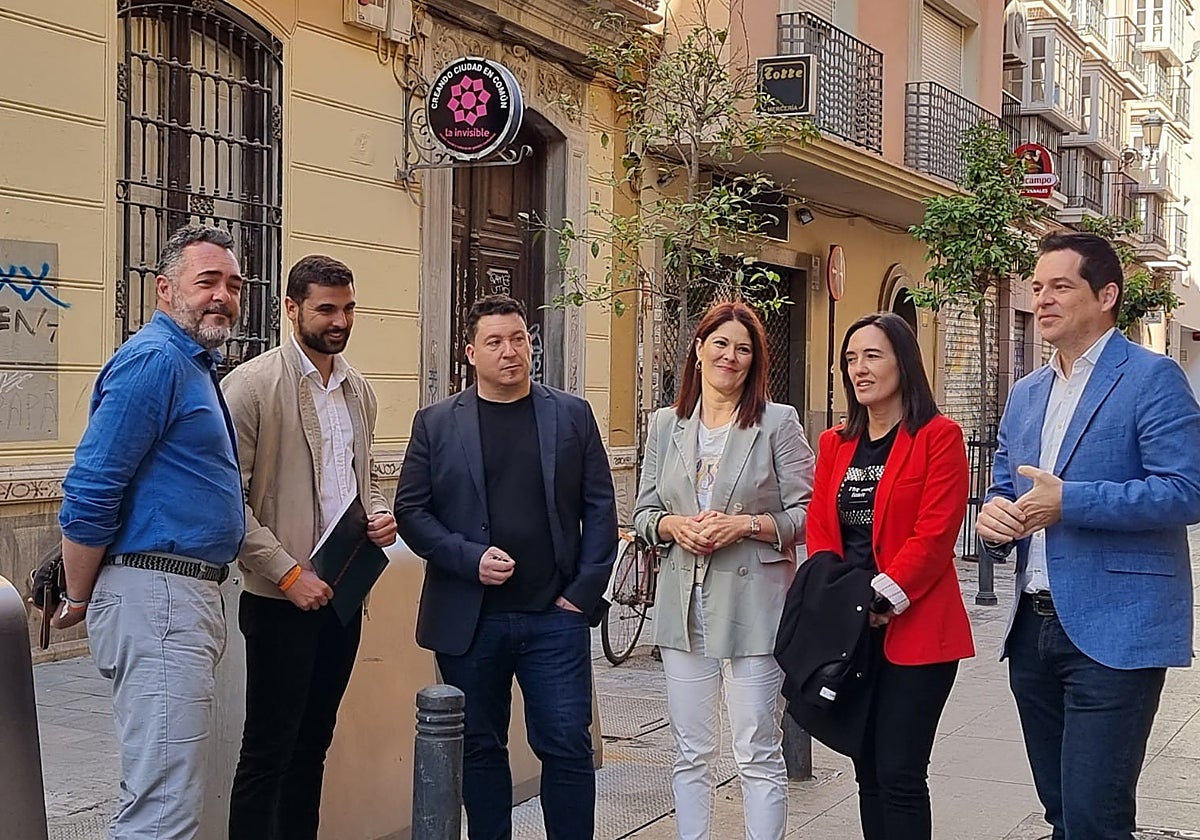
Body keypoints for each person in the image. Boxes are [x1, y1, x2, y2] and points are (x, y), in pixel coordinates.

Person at [977, 232, 1200, 840]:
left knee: (1095, 820)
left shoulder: (1153, 378)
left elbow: (1186, 489)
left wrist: (1071, 501)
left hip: (1118, 629)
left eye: (1060, 286)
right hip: (1033, 629)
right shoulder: (1027, 392)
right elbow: (1005, 482)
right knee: (1061, 815)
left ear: (1107, 295)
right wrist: (995, 518)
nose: (1042, 299)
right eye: (1038, 286)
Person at [394, 294, 617, 840]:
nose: (511, 351)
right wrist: (469, 559)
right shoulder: (436, 423)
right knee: (479, 747)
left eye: (519, 339)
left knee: (566, 743)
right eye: (495, 342)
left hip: (555, 616)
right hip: (471, 621)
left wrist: (581, 596)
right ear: (470, 352)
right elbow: (411, 511)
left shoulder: (570, 414)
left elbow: (601, 507)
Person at [54, 225, 245, 840]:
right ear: (164, 289)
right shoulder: (155, 361)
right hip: (158, 596)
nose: (223, 295)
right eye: (207, 281)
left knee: (165, 791)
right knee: (162, 811)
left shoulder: (191, 365)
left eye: (234, 285)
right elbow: (90, 489)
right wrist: (78, 597)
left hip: (182, 596)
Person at [222, 255, 396, 840]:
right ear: (291, 309)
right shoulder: (249, 387)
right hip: (278, 601)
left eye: (347, 308)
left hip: (343, 596)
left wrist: (377, 516)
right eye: (325, 309)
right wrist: (288, 573)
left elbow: (362, 477)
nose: (339, 320)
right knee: (267, 752)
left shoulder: (358, 388)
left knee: (314, 744)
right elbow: (226, 504)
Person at [632, 301, 815, 840]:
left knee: (756, 749)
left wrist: (746, 525)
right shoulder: (667, 424)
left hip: (755, 605)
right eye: (720, 344)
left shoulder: (778, 423)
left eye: (743, 348)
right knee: (690, 751)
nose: (730, 357)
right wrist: (671, 527)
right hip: (683, 607)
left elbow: (808, 514)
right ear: (698, 348)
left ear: (755, 360)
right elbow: (643, 512)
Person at [802, 312, 974, 840]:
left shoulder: (938, 436)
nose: (859, 369)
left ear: (904, 362)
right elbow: (821, 527)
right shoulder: (836, 443)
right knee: (867, 768)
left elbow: (936, 532)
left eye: (872, 356)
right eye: (851, 359)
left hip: (917, 630)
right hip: (851, 631)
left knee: (900, 772)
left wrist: (883, 598)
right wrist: (846, 600)